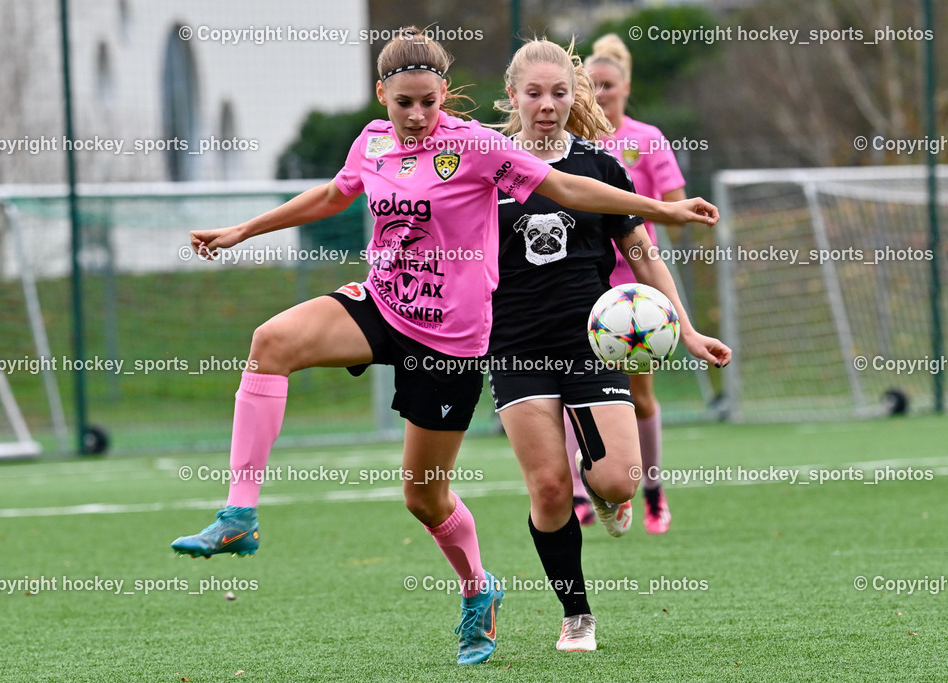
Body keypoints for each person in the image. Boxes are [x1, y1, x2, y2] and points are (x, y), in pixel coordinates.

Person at [169, 27, 718, 666]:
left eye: (429, 102)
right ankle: (240, 511)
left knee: (423, 496)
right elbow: (331, 194)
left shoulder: (478, 146)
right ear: (382, 96)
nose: (418, 115)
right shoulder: (372, 141)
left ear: (444, 96)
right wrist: (245, 228)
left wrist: (663, 209)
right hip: (383, 305)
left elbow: (566, 188)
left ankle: (478, 589)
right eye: (404, 103)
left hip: (452, 343)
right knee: (271, 341)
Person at [488, 39, 730, 651]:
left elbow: (643, 257)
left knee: (620, 481)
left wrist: (689, 329)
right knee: (547, 488)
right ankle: (576, 616)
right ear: (513, 96)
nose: (547, 105)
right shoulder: (484, 168)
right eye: (535, 93)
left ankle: (614, 493)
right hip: (514, 345)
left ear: (577, 97)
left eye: (560, 93)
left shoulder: (601, 166)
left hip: (591, 341)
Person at [560, 33, 696, 534]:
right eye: (590, 86)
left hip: (635, 289)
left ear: (626, 86)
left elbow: (677, 213)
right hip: (581, 283)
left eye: (609, 86)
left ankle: (653, 489)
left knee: (639, 395)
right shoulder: (571, 147)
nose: (600, 95)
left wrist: (630, 206)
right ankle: (582, 492)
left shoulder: (645, 139)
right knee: (576, 388)